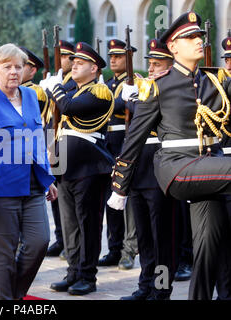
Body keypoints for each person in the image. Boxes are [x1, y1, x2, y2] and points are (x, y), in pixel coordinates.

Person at [107, 12, 231, 300]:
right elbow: (134, 139)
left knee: (208, 245)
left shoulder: (215, 81)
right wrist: (119, 186)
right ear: (173, 47)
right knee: (162, 240)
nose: (198, 40)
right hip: (176, 168)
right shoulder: (158, 87)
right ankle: (151, 287)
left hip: (209, 169)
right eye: (190, 37)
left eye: (199, 36)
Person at [0, 43, 57, 300]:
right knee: (3, 257)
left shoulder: (29, 96)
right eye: (7, 67)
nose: (14, 72)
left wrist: (46, 176)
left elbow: (37, 139)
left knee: (39, 242)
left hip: (33, 185)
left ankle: (11, 296)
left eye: (19, 66)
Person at [43, 42, 114, 295]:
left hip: (89, 168)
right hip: (65, 168)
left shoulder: (100, 92)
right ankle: (73, 271)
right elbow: (53, 122)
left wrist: (57, 88)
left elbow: (70, 108)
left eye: (80, 63)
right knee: (69, 224)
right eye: (72, 62)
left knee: (88, 223)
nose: (73, 65)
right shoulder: (73, 89)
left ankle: (87, 275)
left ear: (94, 68)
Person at [118, 38, 176, 300]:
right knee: (144, 236)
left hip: (160, 170)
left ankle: (161, 289)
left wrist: (136, 101)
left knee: (162, 237)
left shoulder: (171, 90)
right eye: (150, 65)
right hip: (139, 170)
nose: (151, 70)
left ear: (171, 66)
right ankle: (145, 285)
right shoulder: (146, 89)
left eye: (157, 64)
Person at [99, 39, 138, 270]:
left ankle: (129, 250)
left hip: (125, 144)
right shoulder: (108, 84)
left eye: (119, 56)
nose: (113, 59)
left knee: (127, 200)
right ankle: (114, 248)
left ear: (130, 58)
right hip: (107, 146)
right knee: (111, 201)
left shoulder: (135, 84)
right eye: (111, 56)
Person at [45, 39, 76, 258]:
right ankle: (61, 237)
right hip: (50, 139)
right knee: (54, 192)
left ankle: (71, 242)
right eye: (62, 56)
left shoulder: (73, 83)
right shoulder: (51, 80)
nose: (63, 60)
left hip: (65, 141)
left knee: (65, 194)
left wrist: (57, 87)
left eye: (67, 56)